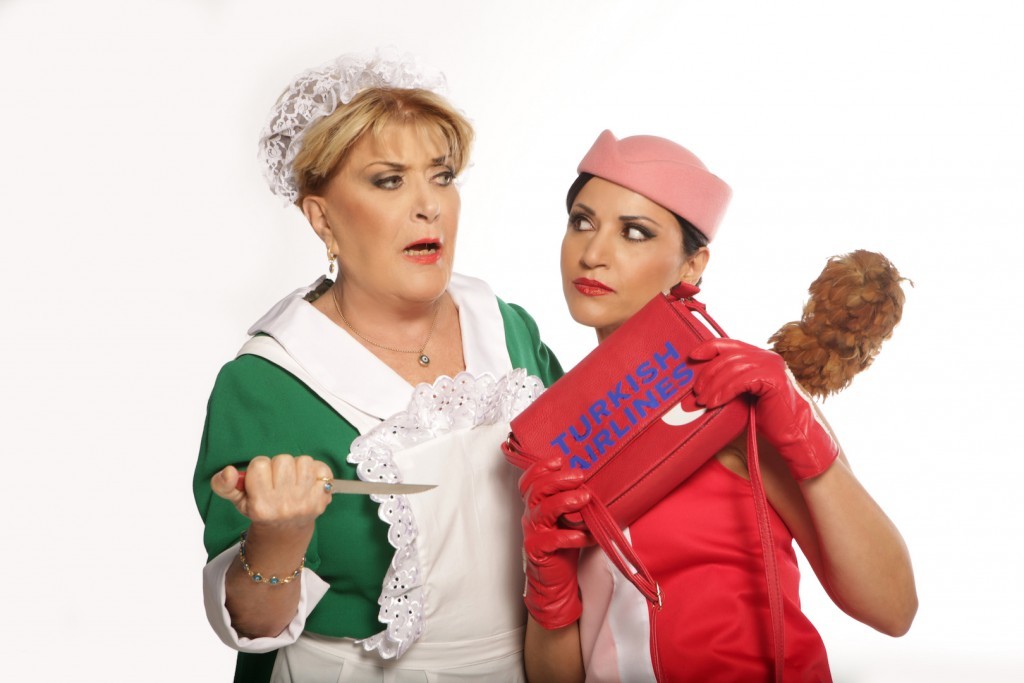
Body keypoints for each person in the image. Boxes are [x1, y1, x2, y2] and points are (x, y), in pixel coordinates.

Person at [193, 49, 561, 683]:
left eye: (442, 176)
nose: (429, 206)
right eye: (389, 180)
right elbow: (255, 625)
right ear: (322, 217)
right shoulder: (269, 382)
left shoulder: (506, 328)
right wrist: (281, 535)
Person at [518, 131, 918, 682]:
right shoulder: (561, 426)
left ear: (692, 265)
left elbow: (893, 608)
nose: (592, 254)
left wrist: (803, 434)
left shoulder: (738, 391)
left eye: (634, 232)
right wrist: (548, 592)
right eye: (582, 222)